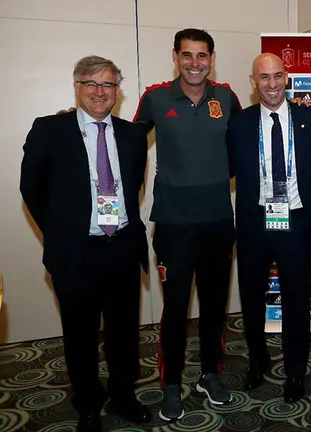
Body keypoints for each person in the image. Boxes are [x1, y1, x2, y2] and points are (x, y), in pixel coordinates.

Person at [20, 55, 151, 432]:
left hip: (122, 249)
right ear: (77, 87)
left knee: (124, 332)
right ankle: (88, 404)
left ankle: (124, 395)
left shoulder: (132, 135)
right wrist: (61, 232)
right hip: (75, 253)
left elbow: (133, 188)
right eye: (91, 83)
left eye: (107, 84)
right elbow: (31, 188)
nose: (99, 91)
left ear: (117, 91)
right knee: (80, 336)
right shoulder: (49, 129)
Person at [132, 28, 241, 421]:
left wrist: (294, 107)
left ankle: (209, 374)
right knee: (176, 307)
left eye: (202, 55)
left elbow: (250, 137)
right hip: (174, 224)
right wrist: (74, 124)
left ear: (212, 58)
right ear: (175, 56)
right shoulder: (156, 97)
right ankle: (172, 383)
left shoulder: (226, 97)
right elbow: (126, 141)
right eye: (187, 55)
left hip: (217, 221)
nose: (195, 63)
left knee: (214, 306)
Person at [227, 53, 311, 402]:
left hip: (296, 223)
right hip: (254, 223)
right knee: (251, 299)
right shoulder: (239, 123)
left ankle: (296, 371)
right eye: (264, 77)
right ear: (253, 81)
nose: (272, 84)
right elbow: (224, 167)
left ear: (286, 77)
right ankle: (257, 361)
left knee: (297, 300)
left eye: (277, 76)